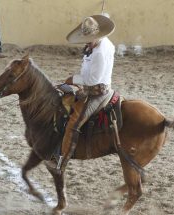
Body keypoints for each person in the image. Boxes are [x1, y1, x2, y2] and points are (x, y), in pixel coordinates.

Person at [55, 15, 116, 173]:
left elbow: (92, 79)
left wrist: (73, 79)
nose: (87, 43)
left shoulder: (100, 53)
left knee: (73, 124)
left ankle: (62, 160)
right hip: (91, 87)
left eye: (90, 39)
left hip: (97, 92)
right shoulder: (98, 46)